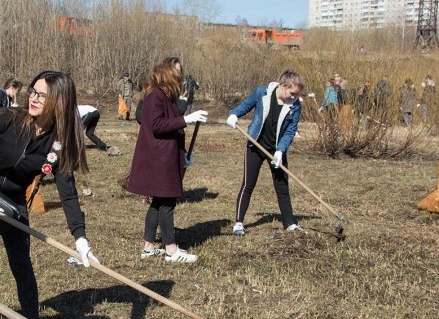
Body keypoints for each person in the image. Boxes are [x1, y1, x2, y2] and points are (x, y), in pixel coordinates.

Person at [0, 70, 99, 319]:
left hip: (12, 206)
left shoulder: (57, 144)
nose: (33, 98)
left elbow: (67, 192)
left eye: (42, 95)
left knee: (22, 268)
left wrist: (80, 238)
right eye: (32, 91)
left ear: (59, 101)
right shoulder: (7, 119)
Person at [127, 57, 208, 263]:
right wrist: (186, 119)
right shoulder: (156, 94)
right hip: (158, 157)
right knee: (167, 202)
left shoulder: (167, 95)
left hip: (167, 154)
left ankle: (148, 247)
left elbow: (172, 127)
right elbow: (157, 125)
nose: (180, 76)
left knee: (158, 201)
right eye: (176, 72)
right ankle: (171, 250)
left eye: (181, 71)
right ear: (166, 72)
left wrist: (183, 155)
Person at [226, 69, 305, 235]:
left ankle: (289, 223)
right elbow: (245, 106)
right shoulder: (262, 92)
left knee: (282, 186)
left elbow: (290, 131)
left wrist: (280, 151)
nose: (294, 97)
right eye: (292, 93)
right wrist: (234, 115)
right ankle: (239, 223)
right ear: (283, 86)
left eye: (297, 94)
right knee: (248, 184)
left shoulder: (295, 105)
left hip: (276, 150)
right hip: (255, 145)